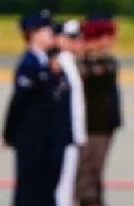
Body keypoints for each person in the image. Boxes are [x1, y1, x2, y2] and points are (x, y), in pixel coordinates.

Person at [1, 10, 66, 206]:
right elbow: (18, 102)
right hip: (31, 139)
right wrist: (9, 133)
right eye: (46, 30)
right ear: (33, 34)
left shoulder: (45, 63)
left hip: (46, 138)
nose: (50, 35)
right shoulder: (29, 64)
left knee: (45, 189)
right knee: (30, 191)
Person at [77, 16, 123, 206]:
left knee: (93, 173)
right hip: (90, 125)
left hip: (102, 125)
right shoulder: (83, 63)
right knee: (86, 174)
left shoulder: (108, 62)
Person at [53, 20, 86, 206]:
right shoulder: (60, 63)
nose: (78, 42)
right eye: (72, 37)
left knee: (67, 184)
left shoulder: (69, 63)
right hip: (64, 134)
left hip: (73, 133)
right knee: (62, 186)